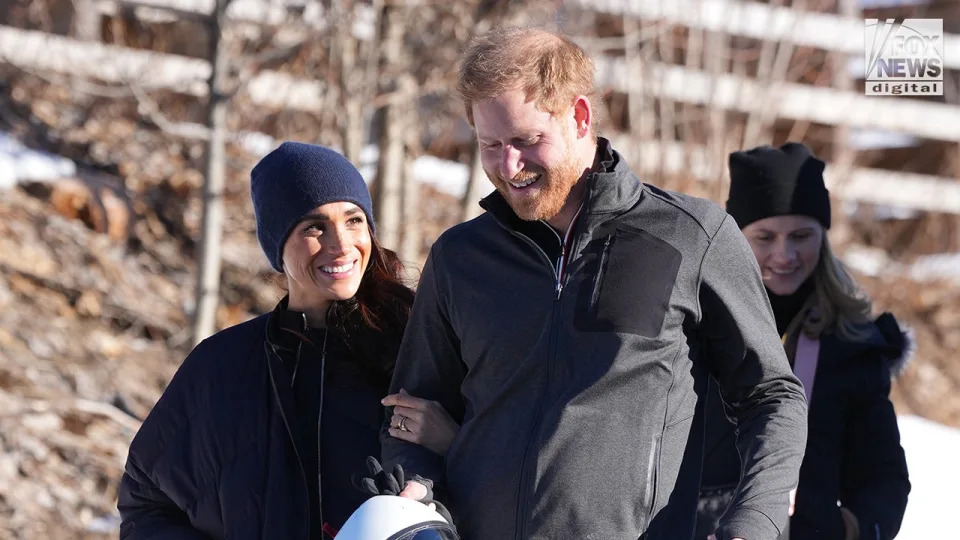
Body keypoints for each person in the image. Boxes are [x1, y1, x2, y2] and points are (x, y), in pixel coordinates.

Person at [381, 26, 808, 540]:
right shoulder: (460, 257)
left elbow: (771, 394)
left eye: (526, 140)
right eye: (489, 144)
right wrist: (416, 486)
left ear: (580, 116)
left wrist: (756, 518)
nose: (507, 165)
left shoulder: (691, 237)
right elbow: (413, 415)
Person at [118, 142, 419, 538]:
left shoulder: (415, 347)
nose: (342, 244)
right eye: (314, 227)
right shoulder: (222, 367)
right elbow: (147, 502)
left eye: (353, 220)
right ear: (278, 246)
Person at [696, 143, 911, 540]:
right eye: (764, 237)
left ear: (823, 237)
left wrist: (848, 527)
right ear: (735, 237)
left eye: (801, 235)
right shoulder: (693, 323)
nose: (785, 254)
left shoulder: (852, 344)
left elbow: (883, 476)